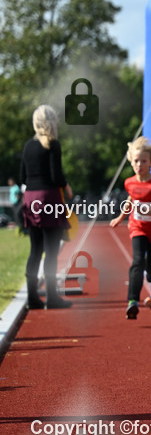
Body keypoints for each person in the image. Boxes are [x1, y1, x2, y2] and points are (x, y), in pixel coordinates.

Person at [109, 137, 151, 318]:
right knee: (137, 261)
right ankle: (132, 301)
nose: (139, 165)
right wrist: (121, 217)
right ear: (131, 161)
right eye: (136, 161)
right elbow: (131, 199)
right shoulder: (129, 182)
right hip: (138, 227)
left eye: (143, 161)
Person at [19, 105, 73, 310]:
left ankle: (32, 297)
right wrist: (66, 185)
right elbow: (55, 176)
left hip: (30, 198)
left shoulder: (28, 146)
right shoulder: (53, 144)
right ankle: (52, 296)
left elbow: (22, 176)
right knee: (51, 251)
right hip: (49, 197)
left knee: (35, 250)